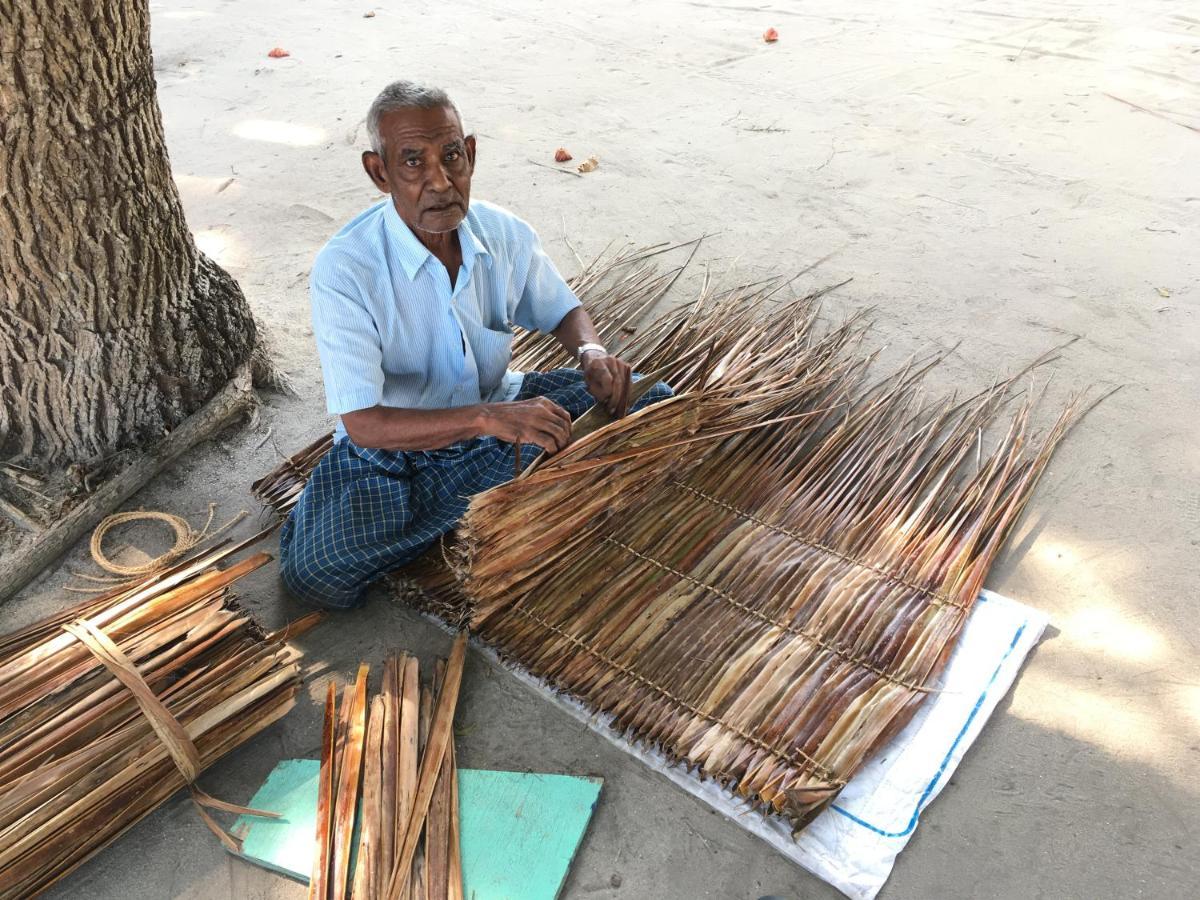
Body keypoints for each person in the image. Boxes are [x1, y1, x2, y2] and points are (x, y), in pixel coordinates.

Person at [279, 80, 672, 609]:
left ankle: (479, 510)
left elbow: (563, 309)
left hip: (503, 413)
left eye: (452, 156)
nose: (440, 181)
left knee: (652, 399)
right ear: (379, 172)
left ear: (472, 154)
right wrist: (486, 420)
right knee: (315, 573)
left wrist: (591, 355)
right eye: (413, 161)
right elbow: (365, 425)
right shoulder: (347, 269)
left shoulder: (503, 233)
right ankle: (496, 506)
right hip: (399, 453)